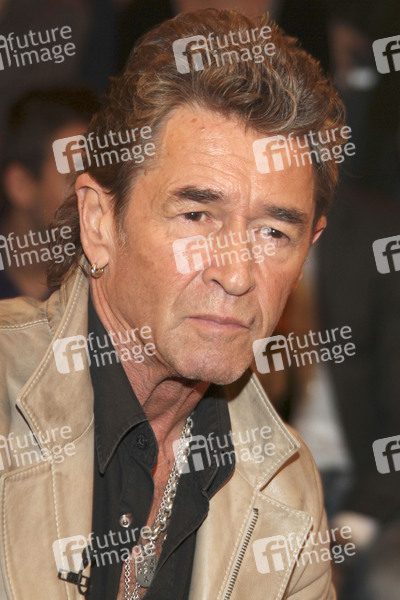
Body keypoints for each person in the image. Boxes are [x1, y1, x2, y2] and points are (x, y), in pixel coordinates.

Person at [0, 9, 347, 600]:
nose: (236, 274)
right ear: (99, 221)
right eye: (196, 215)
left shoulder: (288, 490)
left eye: (273, 232)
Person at [0, 87, 99, 300]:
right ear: (20, 185)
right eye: (74, 178)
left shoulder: (103, 280)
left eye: (100, 176)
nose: (96, 195)